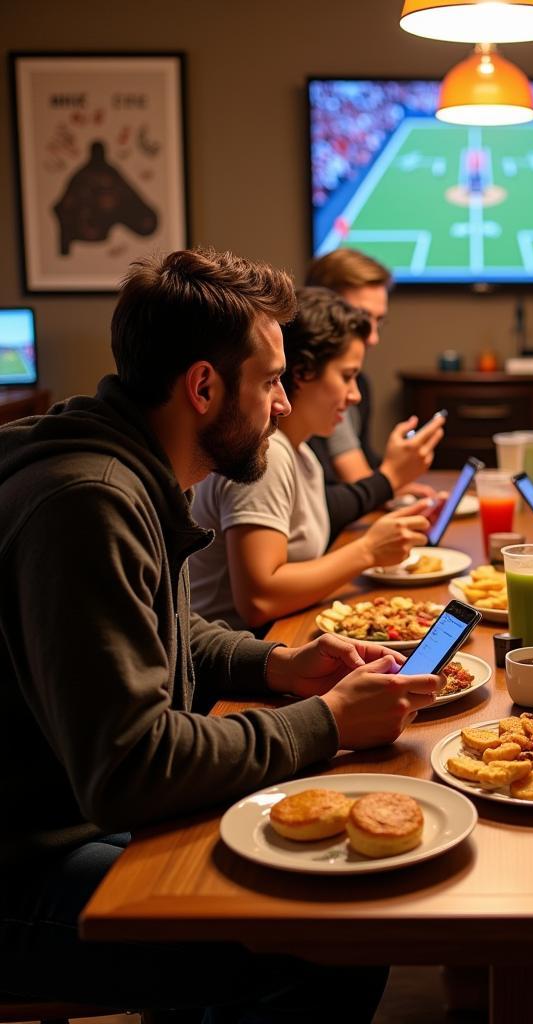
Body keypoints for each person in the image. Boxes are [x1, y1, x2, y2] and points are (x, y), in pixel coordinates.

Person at [0, 248, 440, 1018]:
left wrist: (283, 667)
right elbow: (133, 768)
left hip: (72, 818)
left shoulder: (125, 464)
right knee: (321, 944)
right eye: (270, 381)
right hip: (22, 869)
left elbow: (170, 629)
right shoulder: (90, 501)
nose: (280, 403)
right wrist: (329, 720)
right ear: (203, 387)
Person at [189, 285, 435, 631]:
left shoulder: (300, 452)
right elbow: (260, 600)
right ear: (303, 372)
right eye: (347, 377)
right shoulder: (269, 454)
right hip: (239, 662)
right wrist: (368, 551)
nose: (355, 395)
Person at [305, 246, 443, 512]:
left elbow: (361, 470)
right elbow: (309, 507)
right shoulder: (287, 397)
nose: (372, 338)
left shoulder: (361, 387)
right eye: (361, 318)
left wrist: (395, 483)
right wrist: (388, 482)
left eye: (378, 321)